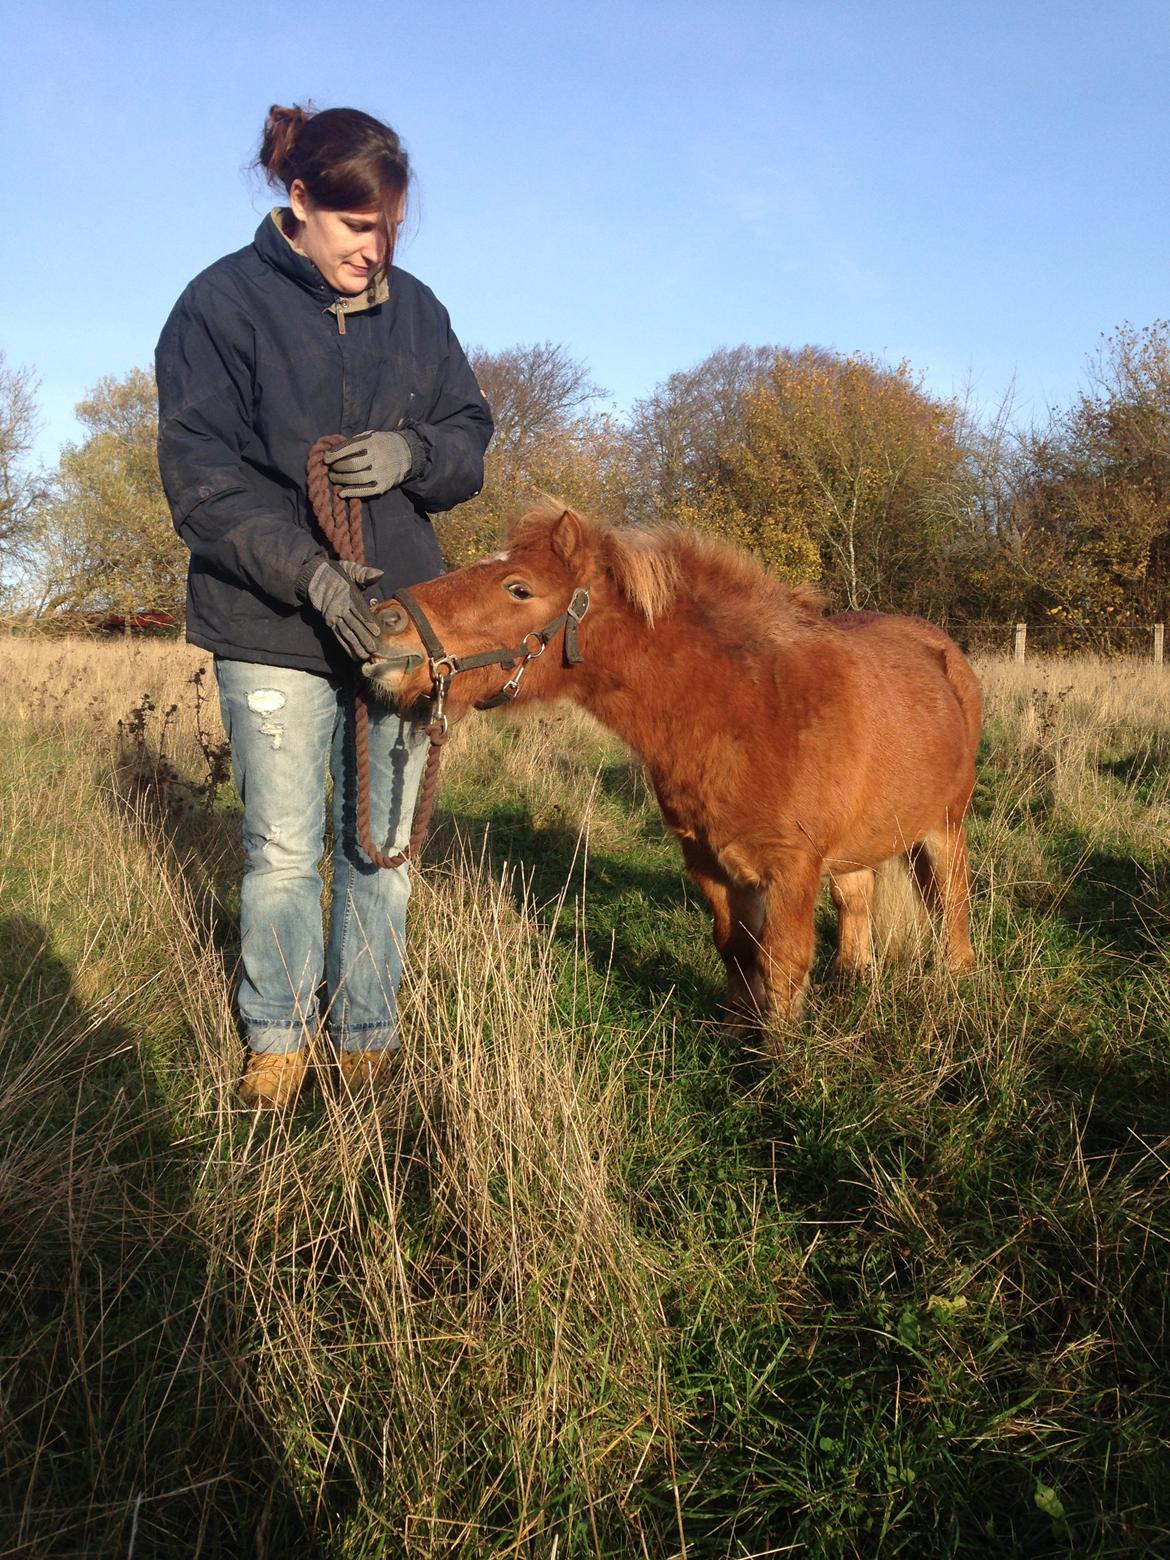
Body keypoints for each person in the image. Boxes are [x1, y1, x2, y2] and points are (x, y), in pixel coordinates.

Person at [156, 104, 493, 1108]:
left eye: (390, 226)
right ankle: (275, 1036)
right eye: (358, 226)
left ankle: (365, 1031)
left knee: (380, 852)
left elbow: (469, 432)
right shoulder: (217, 308)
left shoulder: (419, 312)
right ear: (299, 202)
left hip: (398, 629)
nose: (376, 248)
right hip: (268, 624)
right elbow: (201, 480)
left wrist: (415, 455)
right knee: (284, 851)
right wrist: (306, 573)